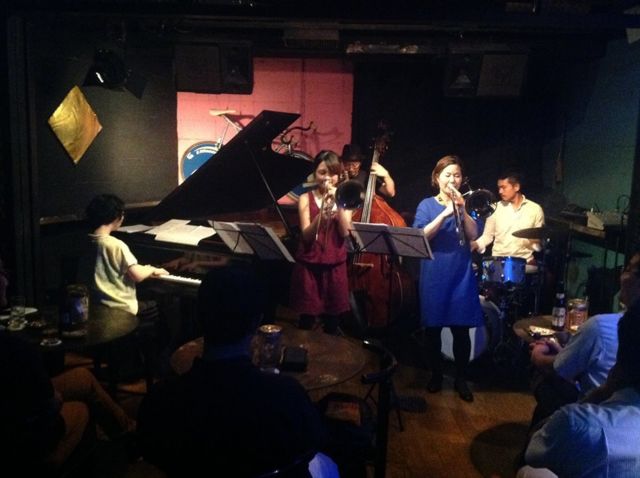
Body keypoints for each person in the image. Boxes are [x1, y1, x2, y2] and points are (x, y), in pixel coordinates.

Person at [137, 265, 335, 477]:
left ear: (198, 317)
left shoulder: (161, 399)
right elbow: (313, 441)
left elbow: (152, 451)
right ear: (256, 322)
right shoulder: (287, 394)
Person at [519, 300, 640, 478]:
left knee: (527, 471)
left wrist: (601, 393)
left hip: (584, 407)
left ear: (619, 365)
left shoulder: (579, 424)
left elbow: (533, 453)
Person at [526, 251, 640, 429]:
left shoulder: (601, 327)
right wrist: (564, 352)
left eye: (627, 269)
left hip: (597, 420)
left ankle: (541, 434)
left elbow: (558, 369)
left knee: (544, 379)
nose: (621, 276)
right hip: (628, 423)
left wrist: (537, 355)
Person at [0, 332, 136, 473]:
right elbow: (49, 406)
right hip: (26, 442)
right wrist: (52, 398)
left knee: (83, 378)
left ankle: (127, 431)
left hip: (21, 408)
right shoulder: (15, 348)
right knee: (81, 408)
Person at [412, 155, 483, 402]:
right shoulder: (426, 204)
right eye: (448, 175)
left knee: (461, 330)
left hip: (460, 272)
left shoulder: (464, 204)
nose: (453, 179)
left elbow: (473, 234)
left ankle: (461, 379)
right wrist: (445, 213)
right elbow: (422, 234)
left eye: (457, 175)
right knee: (432, 329)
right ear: (437, 178)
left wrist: (462, 211)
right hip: (435, 272)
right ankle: (436, 376)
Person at [290, 150, 353, 334]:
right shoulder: (305, 198)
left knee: (332, 323)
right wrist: (321, 217)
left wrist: (339, 203)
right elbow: (306, 235)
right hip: (309, 265)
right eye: (322, 172)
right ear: (315, 173)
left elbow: (345, 232)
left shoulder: (345, 198)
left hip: (334, 266)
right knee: (306, 321)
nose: (327, 178)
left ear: (338, 175)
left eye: (332, 173)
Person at [84, 194, 168, 316]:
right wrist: (152, 269)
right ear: (116, 217)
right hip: (120, 307)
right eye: (122, 214)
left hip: (96, 305)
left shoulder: (88, 241)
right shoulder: (115, 244)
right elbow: (137, 275)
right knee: (158, 306)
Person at [471, 170, 544, 265]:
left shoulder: (535, 209)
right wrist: (475, 244)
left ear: (516, 187)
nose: (500, 191)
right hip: (499, 261)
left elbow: (538, 240)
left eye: (503, 187)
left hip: (525, 262)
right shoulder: (495, 208)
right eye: (499, 188)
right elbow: (487, 236)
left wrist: (537, 247)